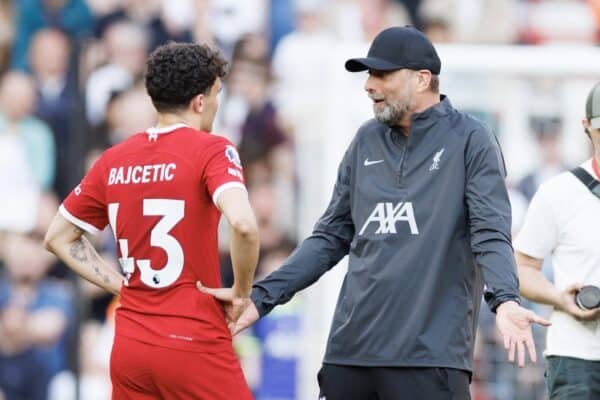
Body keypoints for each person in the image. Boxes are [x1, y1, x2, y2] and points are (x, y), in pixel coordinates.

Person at [201, 26, 549, 399]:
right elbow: (329, 238)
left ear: (421, 79)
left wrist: (506, 299)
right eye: (368, 74)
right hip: (350, 355)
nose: (369, 85)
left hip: (428, 358)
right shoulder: (365, 139)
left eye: (382, 74)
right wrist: (260, 297)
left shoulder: (471, 141)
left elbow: (489, 233)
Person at [44, 42, 259, 399]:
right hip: (192, 339)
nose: (218, 105)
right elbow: (245, 225)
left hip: (131, 343)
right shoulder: (212, 149)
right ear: (200, 101)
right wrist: (242, 292)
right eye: (217, 93)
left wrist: (120, 286)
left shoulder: (114, 159)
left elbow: (58, 238)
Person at [514, 82, 600, 399]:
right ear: (586, 128)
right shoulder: (558, 192)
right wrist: (559, 297)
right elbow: (521, 267)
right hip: (577, 358)